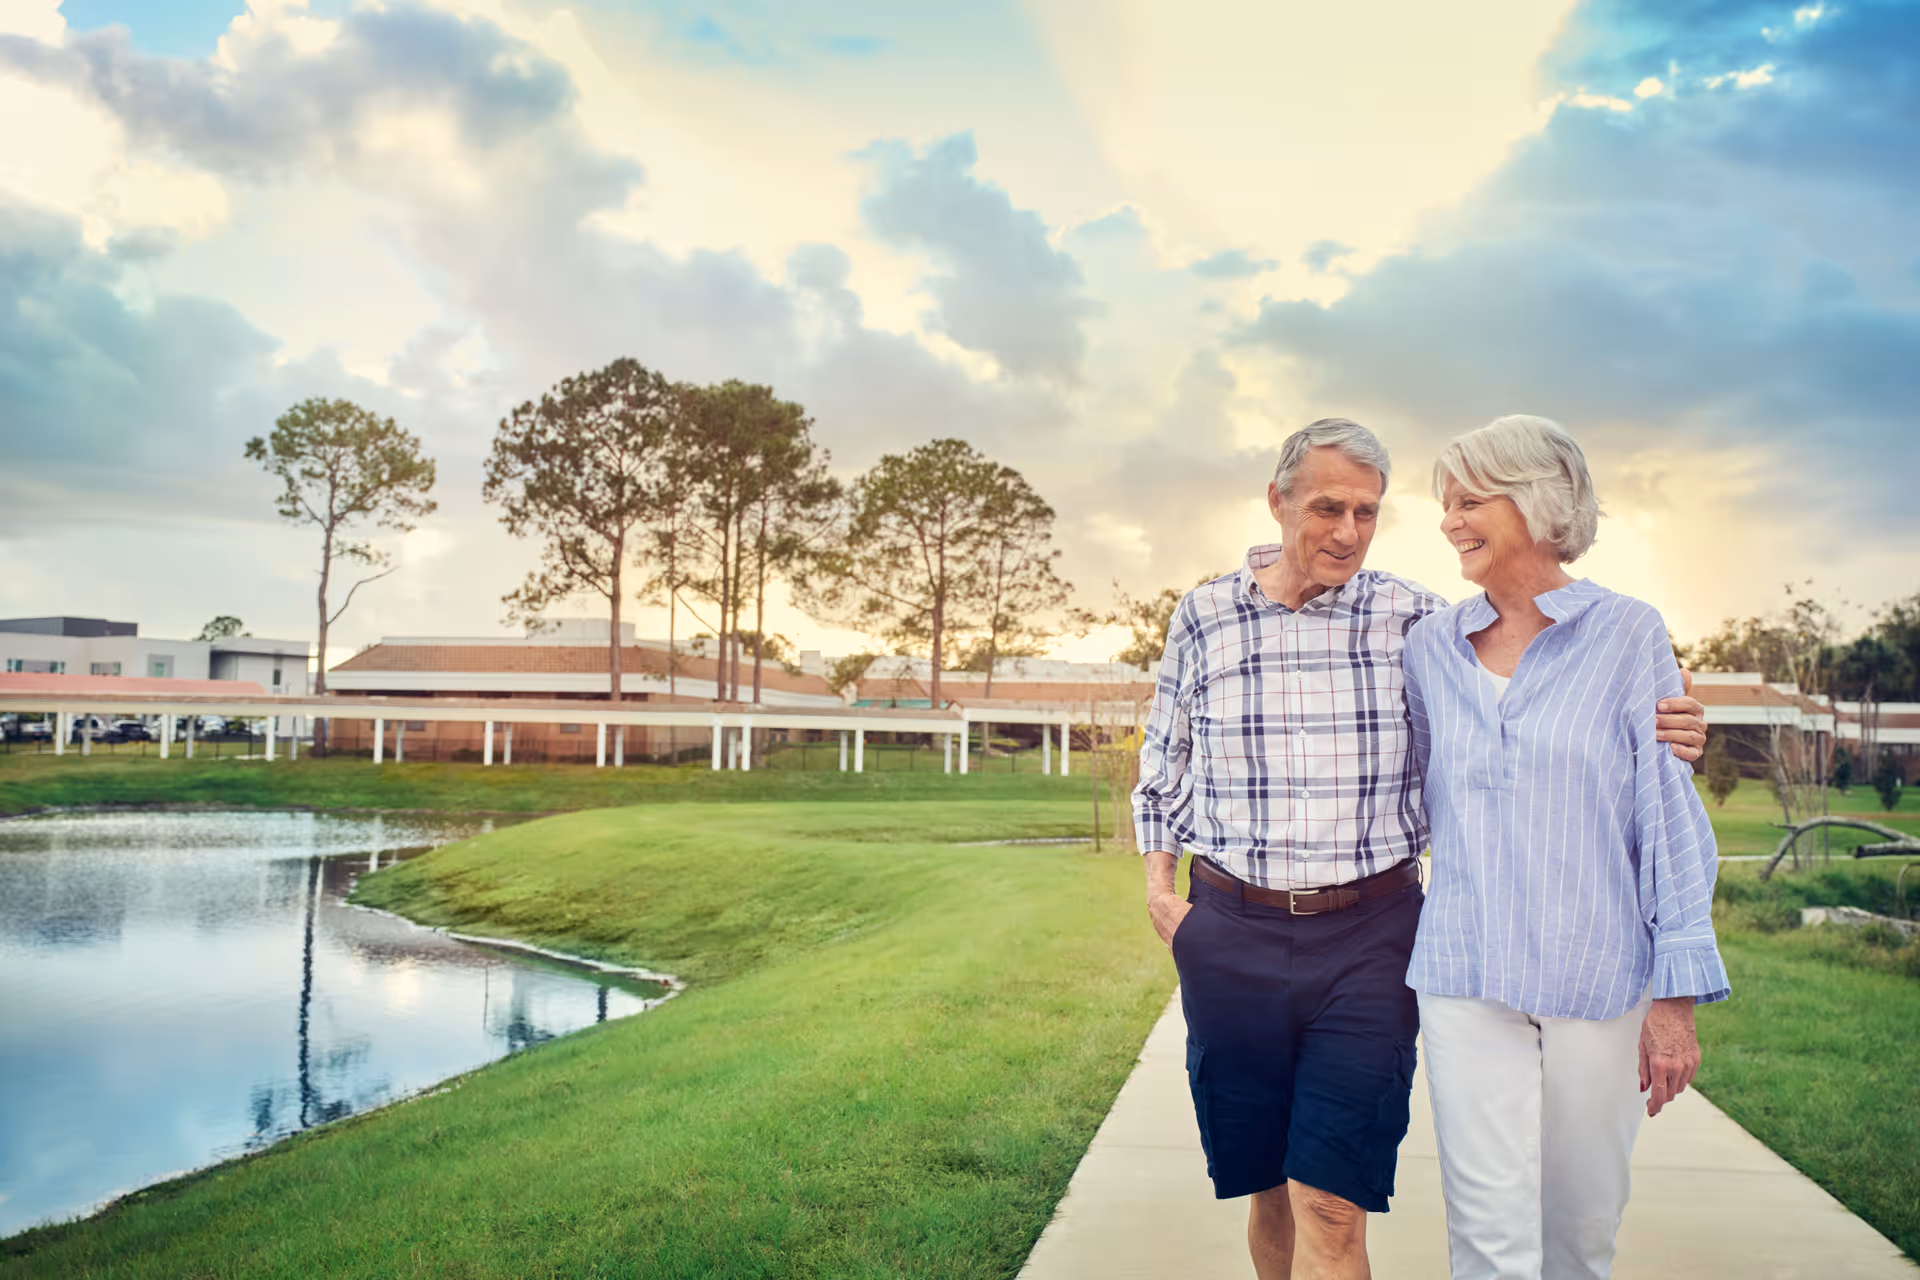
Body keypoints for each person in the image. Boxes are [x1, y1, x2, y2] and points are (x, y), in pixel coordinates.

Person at [1133, 418, 1708, 1280]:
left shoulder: (1444, 624)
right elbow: (1166, 753)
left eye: (1369, 512)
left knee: (1379, 1206)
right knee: (1309, 1196)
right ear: (1277, 501)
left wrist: (1680, 725)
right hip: (1332, 948)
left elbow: (1631, 778)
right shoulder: (1256, 620)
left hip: (1447, 948)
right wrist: (1163, 889)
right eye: (1329, 507)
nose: (1351, 532)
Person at [1402, 415, 1729, 1280]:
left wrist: (1677, 998)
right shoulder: (1428, 646)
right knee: (1486, 1235)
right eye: (1445, 503)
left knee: (1579, 1235)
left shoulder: (1627, 635)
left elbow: (1666, 814)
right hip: (1464, 971)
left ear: (1538, 503)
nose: (1448, 521)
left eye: (1470, 500)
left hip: (1598, 973)